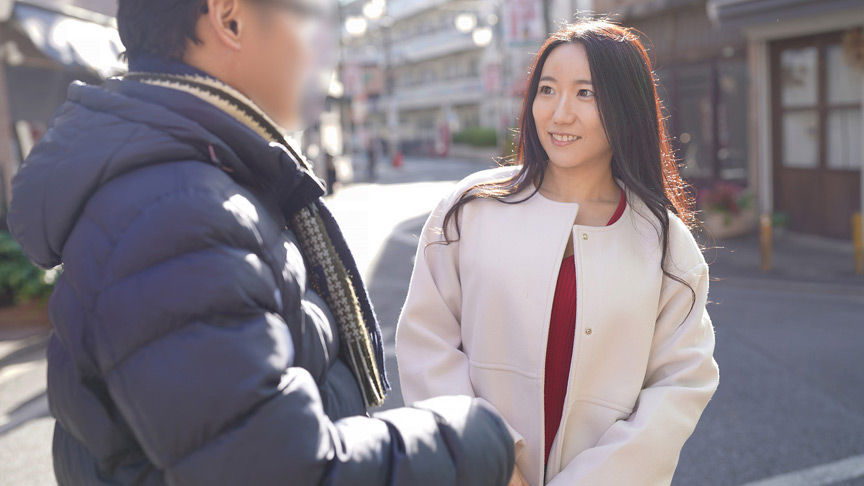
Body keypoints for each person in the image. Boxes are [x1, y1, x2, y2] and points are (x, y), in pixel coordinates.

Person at [6, 0, 515, 484]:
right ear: (230, 20)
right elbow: (276, 470)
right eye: (305, 16)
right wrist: (477, 438)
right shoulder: (177, 209)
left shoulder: (192, 176)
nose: (316, 46)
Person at [396, 19, 720, 486]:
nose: (559, 113)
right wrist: (493, 465)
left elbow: (679, 384)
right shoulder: (470, 209)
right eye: (547, 90)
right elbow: (427, 343)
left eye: (585, 93)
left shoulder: (665, 243)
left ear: (625, 106)